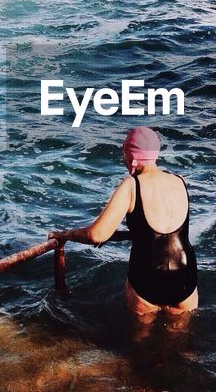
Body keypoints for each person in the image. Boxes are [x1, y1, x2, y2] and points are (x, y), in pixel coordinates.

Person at [49, 126, 198, 315]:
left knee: (139, 341)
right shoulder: (179, 181)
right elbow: (162, 230)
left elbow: (96, 235)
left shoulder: (132, 185)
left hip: (148, 276)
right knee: (180, 340)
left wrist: (66, 235)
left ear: (131, 158)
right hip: (184, 274)